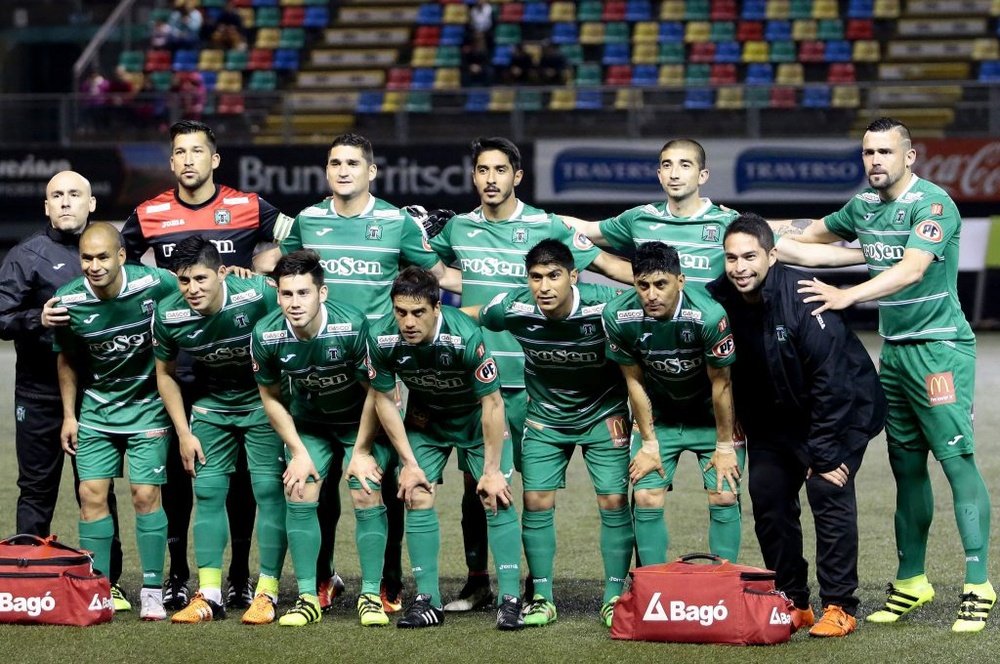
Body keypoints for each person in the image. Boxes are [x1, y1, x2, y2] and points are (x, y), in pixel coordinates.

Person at [780, 117, 994, 633]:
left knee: (956, 462)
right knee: (906, 468)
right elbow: (807, 237)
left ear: (909, 156)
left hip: (940, 352)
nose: (875, 161)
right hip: (894, 355)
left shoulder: (933, 205)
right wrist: (742, 229)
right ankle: (912, 581)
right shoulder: (864, 207)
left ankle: (978, 583)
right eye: (867, 152)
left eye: (884, 152)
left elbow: (911, 269)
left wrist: (847, 295)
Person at [426, 136, 633, 611]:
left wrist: (669, 286)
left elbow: (606, 267)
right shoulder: (458, 228)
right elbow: (430, 272)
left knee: (546, 494)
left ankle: (595, 588)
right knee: (478, 487)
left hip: (536, 384)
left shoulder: (547, 225)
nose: (491, 179)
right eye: (482, 170)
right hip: (479, 379)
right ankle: (481, 582)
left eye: (501, 170)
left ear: (517, 176)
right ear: (473, 176)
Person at [281, 132, 461, 613]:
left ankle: (388, 582)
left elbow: (435, 275)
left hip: (380, 370)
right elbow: (285, 271)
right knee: (317, 480)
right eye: (335, 162)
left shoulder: (395, 222)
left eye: (353, 163)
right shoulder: (309, 220)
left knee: (381, 478)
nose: (343, 170)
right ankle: (323, 579)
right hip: (319, 373)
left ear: (371, 171)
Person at [119, 119, 295, 612]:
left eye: (198, 150)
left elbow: (300, 234)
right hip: (183, 360)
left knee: (243, 480)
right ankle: (179, 574)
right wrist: (157, 286)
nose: (189, 159)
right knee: (183, 471)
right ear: (172, 161)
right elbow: (121, 263)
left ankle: (239, 573)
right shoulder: (149, 213)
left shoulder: (247, 205)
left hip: (240, 359)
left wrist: (263, 266)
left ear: (214, 159)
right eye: (180, 152)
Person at [706, 212, 886, 638]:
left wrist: (825, 455)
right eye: (731, 258)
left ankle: (840, 604)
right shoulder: (720, 298)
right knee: (767, 495)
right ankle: (793, 599)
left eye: (750, 256)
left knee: (828, 487)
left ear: (771, 254)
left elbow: (834, 380)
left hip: (840, 411)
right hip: (774, 419)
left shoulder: (802, 298)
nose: (740, 267)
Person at [251, 250, 430, 626]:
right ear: (277, 294)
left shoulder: (352, 326)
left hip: (359, 421)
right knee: (299, 487)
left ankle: (370, 594)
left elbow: (377, 392)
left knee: (365, 486)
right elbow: (270, 398)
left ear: (323, 293)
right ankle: (307, 596)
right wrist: (298, 452)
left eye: (304, 293)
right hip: (310, 424)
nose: (295, 303)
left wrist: (362, 450)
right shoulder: (265, 334)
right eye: (287, 294)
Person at [475, 239, 633, 628]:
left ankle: (615, 596)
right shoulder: (514, 307)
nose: (544, 286)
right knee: (536, 500)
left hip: (604, 413)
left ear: (573, 276)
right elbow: (469, 315)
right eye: (536, 277)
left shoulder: (606, 305)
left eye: (553, 276)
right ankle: (542, 596)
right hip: (546, 418)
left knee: (614, 500)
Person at [366, 267, 523, 630]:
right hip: (426, 421)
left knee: (495, 495)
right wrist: (407, 462)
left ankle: (510, 598)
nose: (408, 321)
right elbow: (385, 401)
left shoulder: (465, 335)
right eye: (401, 312)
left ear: (437, 307)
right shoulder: (382, 337)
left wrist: (492, 470)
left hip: (474, 417)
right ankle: (427, 600)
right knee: (416, 491)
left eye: (418, 312)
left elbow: (493, 404)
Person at [0, 171, 127, 610]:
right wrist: (37, 318)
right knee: (36, 490)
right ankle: (25, 581)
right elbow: (1, 318)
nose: (67, 202)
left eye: (76, 194)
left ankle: (107, 582)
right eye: (57, 195)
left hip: (96, 398)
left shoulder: (108, 251)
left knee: (96, 490)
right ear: (46, 206)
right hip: (38, 397)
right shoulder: (25, 256)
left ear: (92, 204)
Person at [151, 237, 287, 625]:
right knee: (207, 491)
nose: (192, 289)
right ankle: (209, 594)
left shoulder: (258, 294)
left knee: (267, 491)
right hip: (211, 406)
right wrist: (183, 432)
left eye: (200, 279)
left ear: (222, 273)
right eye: (183, 281)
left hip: (264, 403)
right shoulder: (169, 313)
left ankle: (267, 593)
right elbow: (165, 375)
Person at [53, 222, 179, 621]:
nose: (94, 265)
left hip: (148, 406)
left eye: (103, 257)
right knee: (91, 494)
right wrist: (70, 415)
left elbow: (197, 290)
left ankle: (154, 589)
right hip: (97, 410)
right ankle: (100, 589)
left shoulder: (155, 283)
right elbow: (68, 360)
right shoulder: (68, 300)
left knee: (145, 496)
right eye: (87, 258)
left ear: (121, 256)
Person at [562, 138, 863, 290]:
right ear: (658, 174)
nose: (675, 173)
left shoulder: (727, 224)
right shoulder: (639, 218)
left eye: (685, 165)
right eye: (667, 165)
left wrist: (869, 254)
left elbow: (805, 255)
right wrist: (532, 217)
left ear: (703, 175)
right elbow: (588, 230)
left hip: (715, 345)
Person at [602, 242, 742, 567]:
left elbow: (722, 383)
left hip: (711, 419)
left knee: (724, 493)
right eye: (643, 285)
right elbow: (633, 381)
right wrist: (649, 442)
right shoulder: (618, 316)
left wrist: (724, 445)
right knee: (646, 496)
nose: (652, 294)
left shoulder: (709, 316)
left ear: (680, 281)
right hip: (661, 419)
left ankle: (722, 587)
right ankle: (652, 588)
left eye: (661, 284)